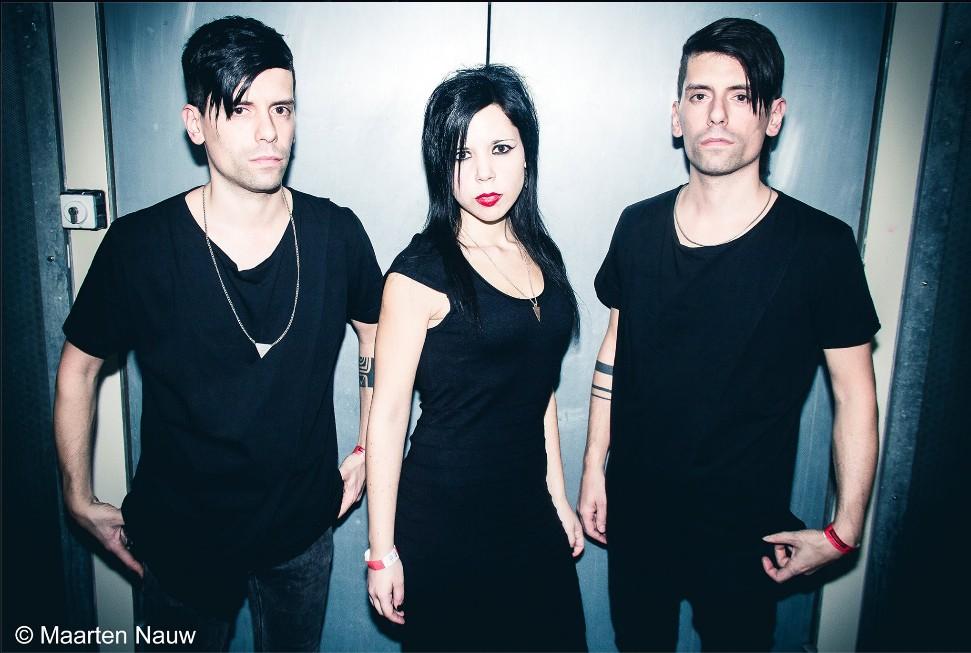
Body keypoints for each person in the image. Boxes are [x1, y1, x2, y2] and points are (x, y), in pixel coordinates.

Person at [53, 16, 383, 651]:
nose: (269, 132)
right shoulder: (140, 246)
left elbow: (376, 337)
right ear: (195, 123)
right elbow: (79, 367)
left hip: (301, 531)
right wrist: (77, 496)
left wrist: (369, 448)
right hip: (180, 538)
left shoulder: (335, 233)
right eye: (240, 109)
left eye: (281, 108)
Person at [577, 17, 881, 652]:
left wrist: (846, 528)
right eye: (699, 94)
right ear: (676, 115)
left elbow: (854, 393)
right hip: (638, 515)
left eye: (741, 96)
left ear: (773, 116)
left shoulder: (819, 247)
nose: (716, 114)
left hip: (746, 536)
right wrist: (593, 467)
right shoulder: (637, 227)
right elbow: (614, 349)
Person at [364, 65, 587, 652]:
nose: (484, 172)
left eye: (501, 148)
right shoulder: (419, 272)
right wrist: (381, 552)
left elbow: (537, 388)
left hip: (528, 512)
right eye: (462, 154)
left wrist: (558, 497)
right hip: (446, 518)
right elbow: (388, 417)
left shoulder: (541, 254)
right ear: (442, 164)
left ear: (526, 154)